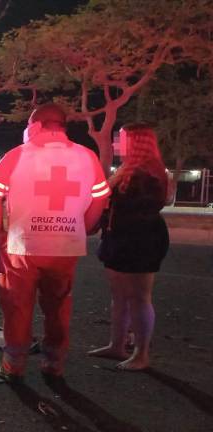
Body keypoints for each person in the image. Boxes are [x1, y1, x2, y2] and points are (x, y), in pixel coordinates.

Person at [0, 103, 110, 382]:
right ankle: (54, 363)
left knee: (17, 306)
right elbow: (100, 198)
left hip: (22, 247)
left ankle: (13, 365)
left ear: (36, 125)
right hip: (65, 248)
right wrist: (82, 227)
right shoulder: (87, 157)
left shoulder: (17, 155)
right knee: (58, 305)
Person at [87, 124, 169, 371]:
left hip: (140, 240)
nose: (115, 144)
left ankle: (141, 354)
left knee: (139, 297)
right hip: (119, 238)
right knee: (120, 296)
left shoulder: (149, 174)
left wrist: (104, 203)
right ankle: (117, 345)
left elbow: (139, 209)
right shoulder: (128, 170)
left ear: (136, 142)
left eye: (120, 140)